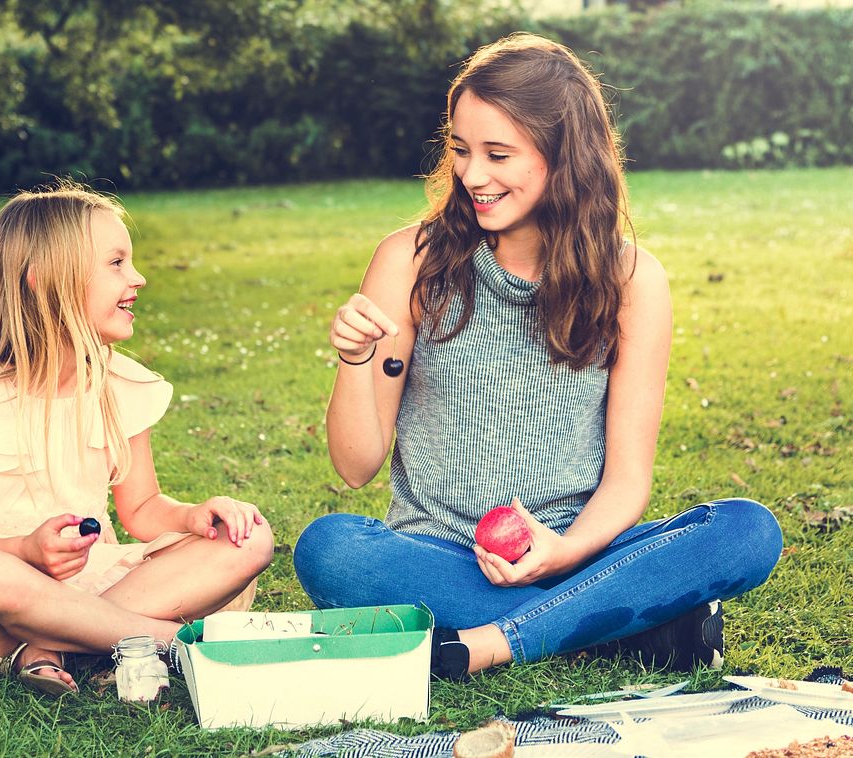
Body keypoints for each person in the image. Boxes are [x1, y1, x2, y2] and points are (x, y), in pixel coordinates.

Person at [293, 33, 782, 679]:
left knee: (747, 530)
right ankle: (609, 621)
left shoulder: (633, 281)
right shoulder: (410, 260)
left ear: (567, 158)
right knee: (331, 550)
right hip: (440, 555)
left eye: (498, 154)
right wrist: (355, 362)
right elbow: (355, 466)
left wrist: (563, 551)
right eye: (462, 151)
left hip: (578, 548)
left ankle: (490, 642)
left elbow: (627, 482)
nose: (471, 175)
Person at [0, 183, 274, 696]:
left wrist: (193, 515)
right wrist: (25, 549)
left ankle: (53, 647)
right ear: (46, 282)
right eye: (116, 263)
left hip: (87, 581)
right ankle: (170, 642)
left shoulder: (118, 386)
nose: (138, 278)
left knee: (250, 538)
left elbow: (143, 507)